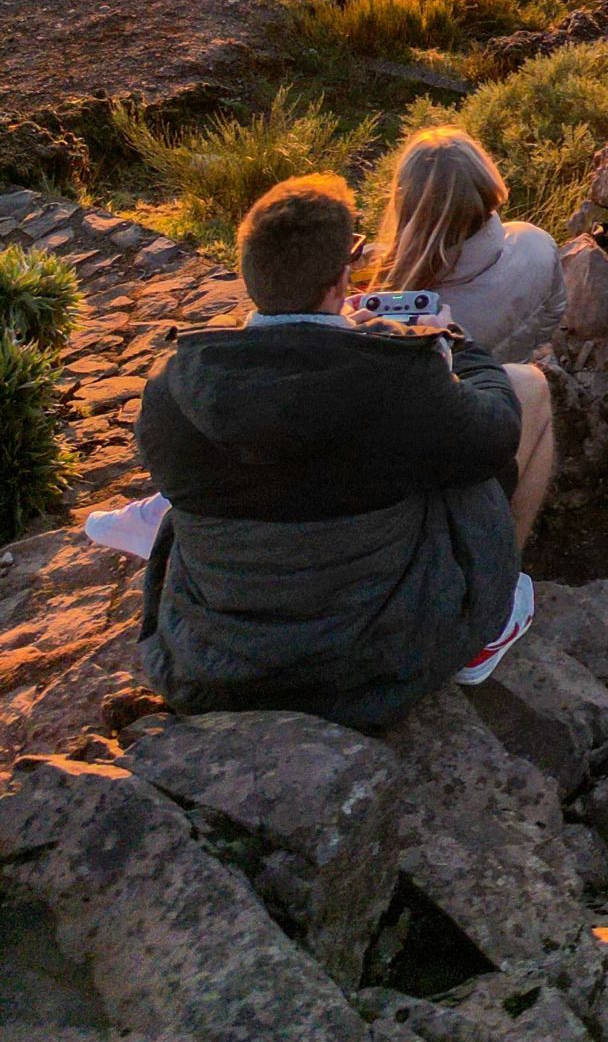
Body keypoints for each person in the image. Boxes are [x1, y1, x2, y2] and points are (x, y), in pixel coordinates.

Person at [134, 173, 555, 730]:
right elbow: (498, 434)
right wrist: (455, 344)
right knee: (519, 397)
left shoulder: (171, 388)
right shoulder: (397, 373)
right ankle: (491, 621)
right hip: (371, 655)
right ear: (340, 281)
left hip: (217, 656)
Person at [371, 127, 566, 361]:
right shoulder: (535, 243)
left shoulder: (407, 307)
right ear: (485, 178)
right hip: (511, 379)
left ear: (408, 202)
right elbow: (554, 312)